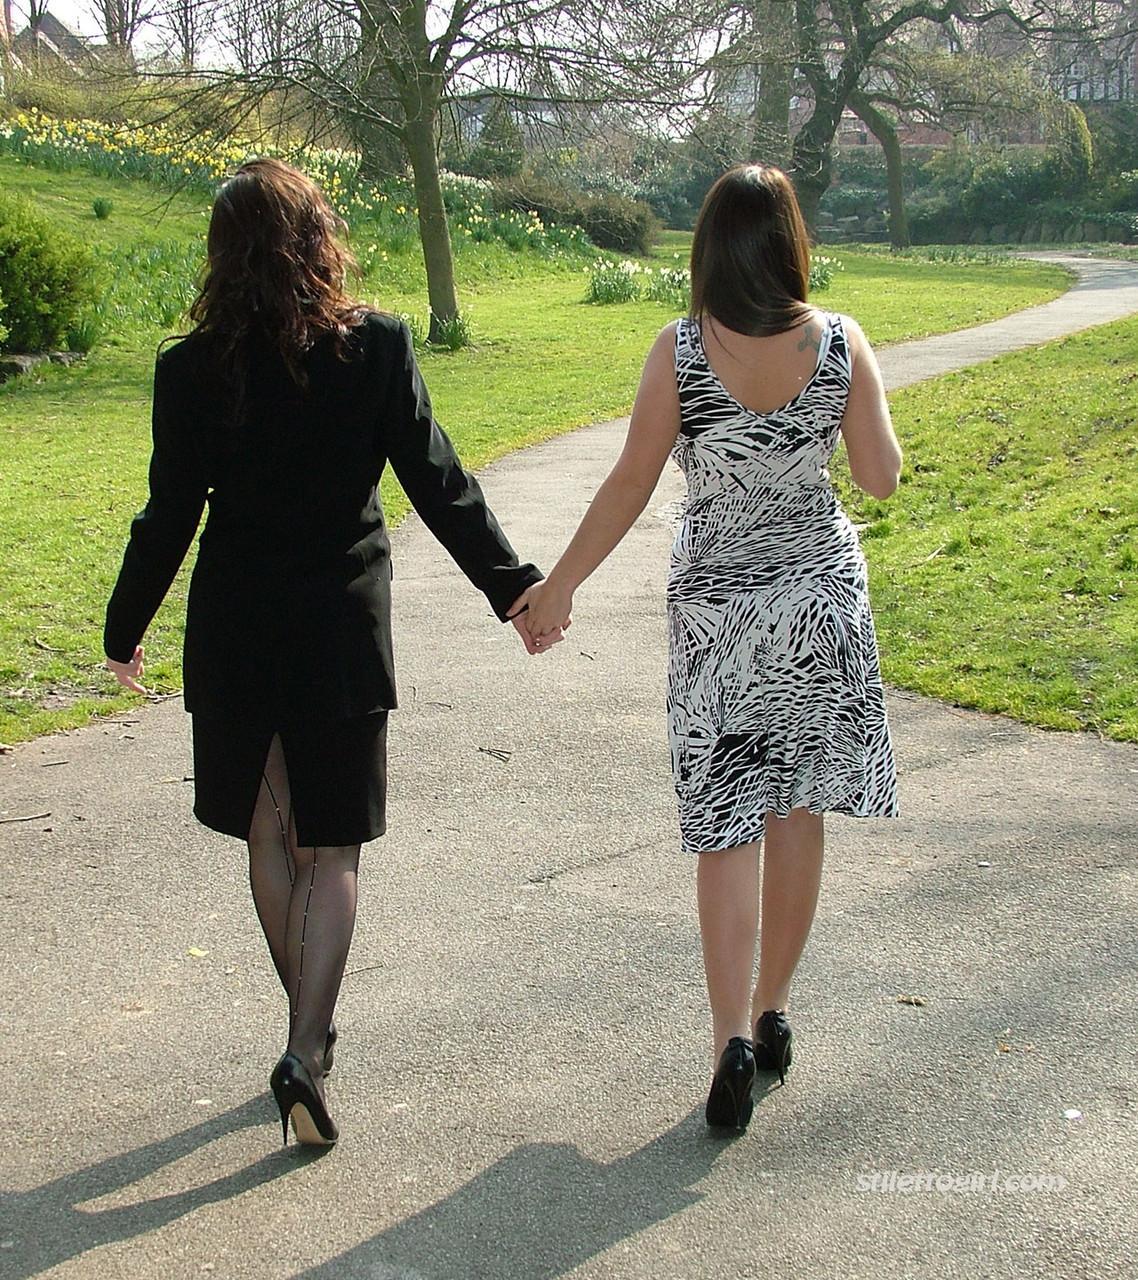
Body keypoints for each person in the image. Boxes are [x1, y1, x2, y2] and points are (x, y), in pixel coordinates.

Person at [104, 158, 560, 1148]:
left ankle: (307, 1035)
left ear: (224, 256)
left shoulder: (191, 368)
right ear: (319, 242)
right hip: (337, 627)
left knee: (275, 838)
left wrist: (124, 621)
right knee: (333, 845)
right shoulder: (378, 348)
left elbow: (169, 512)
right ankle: (303, 1049)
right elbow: (440, 482)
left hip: (237, 625)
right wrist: (512, 585)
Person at [521, 164, 902, 1132]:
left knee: (725, 824)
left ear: (708, 247)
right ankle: (774, 1009)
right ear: (789, 243)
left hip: (717, 613)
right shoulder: (841, 340)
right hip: (817, 600)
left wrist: (557, 587)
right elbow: (879, 476)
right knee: (798, 813)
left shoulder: (681, 348)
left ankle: (728, 1031)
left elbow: (630, 482)